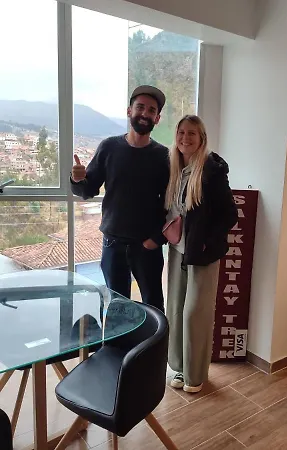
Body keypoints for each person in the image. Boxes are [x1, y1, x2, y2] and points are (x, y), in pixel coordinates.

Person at [70, 85, 169, 311]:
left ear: (157, 118)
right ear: (129, 111)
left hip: (148, 247)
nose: (145, 114)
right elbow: (87, 191)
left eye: (151, 110)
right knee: (117, 309)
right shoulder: (109, 147)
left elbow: (170, 203)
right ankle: (119, 338)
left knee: (154, 307)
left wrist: (156, 239)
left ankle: (155, 339)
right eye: (140, 107)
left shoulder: (164, 156)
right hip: (113, 244)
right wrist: (77, 179)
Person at [165, 115, 238, 393]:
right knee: (176, 310)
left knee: (195, 313)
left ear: (202, 138)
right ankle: (179, 367)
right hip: (177, 250)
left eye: (192, 133)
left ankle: (195, 375)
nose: (185, 138)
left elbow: (229, 214)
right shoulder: (174, 167)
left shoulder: (211, 170)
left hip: (203, 254)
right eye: (181, 132)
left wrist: (208, 242)